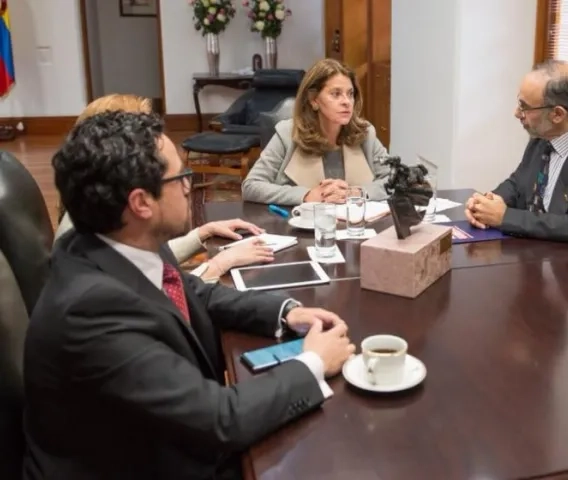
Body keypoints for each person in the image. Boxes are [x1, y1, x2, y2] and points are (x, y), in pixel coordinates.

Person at [23, 111, 356, 480]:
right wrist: (311, 364)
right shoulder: (90, 310)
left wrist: (284, 312)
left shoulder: (118, 237)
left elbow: (190, 289)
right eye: (181, 176)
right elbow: (219, 421)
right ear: (141, 203)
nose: (188, 186)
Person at [53, 93, 274, 281]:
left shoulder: (94, 204)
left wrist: (201, 234)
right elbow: (155, 296)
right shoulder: (89, 247)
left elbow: (148, 260)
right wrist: (219, 265)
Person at [465, 60, 568, 268]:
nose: (516, 113)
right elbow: (517, 183)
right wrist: (487, 203)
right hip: (536, 262)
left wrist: (505, 217)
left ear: (557, 114)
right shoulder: (542, 139)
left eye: (524, 107)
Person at [242, 58, 390, 206]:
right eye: (336, 94)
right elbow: (251, 186)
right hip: (299, 224)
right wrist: (306, 195)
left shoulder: (365, 134)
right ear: (314, 100)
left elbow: (393, 182)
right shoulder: (288, 134)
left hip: (356, 224)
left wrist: (357, 193)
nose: (346, 101)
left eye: (350, 94)